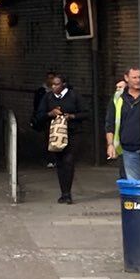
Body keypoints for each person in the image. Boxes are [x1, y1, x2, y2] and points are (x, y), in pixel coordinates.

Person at [32, 72, 85, 203]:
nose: (54, 87)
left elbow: (86, 113)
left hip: (73, 133)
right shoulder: (48, 97)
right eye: (52, 85)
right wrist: (50, 113)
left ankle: (67, 194)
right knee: (60, 162)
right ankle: (64, 192)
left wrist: (71, 116)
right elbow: (39, 115)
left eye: (57, 84)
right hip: (56, 134)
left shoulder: (74, 96)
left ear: (64, 84)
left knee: (69, 160)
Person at [107, 67, 140, 180]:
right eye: (134, 77)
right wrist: (110, 144)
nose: (138, 80)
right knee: (134, 185)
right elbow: (110, 123)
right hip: (128, 149)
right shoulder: (118, 98)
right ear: (126, 78)